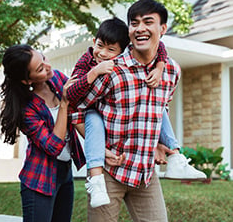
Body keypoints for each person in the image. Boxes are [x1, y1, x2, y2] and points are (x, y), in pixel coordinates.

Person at [73, 0, 185, 222]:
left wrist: (159, 142)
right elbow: (78, 107)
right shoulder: (112, 70)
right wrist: (97, 149)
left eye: (148, 22)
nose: (140, 28)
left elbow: (161, 108)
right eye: (134, 23)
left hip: (145, 172)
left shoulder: (171, 70)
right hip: (109, 172)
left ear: (163, 28)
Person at [67, 17, 205, 208]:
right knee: (95, 121)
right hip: (90, 112)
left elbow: (161, 47)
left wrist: (160, 65)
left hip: (128, 144)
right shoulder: (87, 60)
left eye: (111, 50)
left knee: (159, 106)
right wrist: (95, 71)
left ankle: (175, 156)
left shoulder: (122, 65)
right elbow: (71, 97)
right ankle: (96, 181)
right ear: (94, 42)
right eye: (100, 46)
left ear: (123, 51)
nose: (103, 53)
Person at [0, 44, 86, 222]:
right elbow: (54, 146)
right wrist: (64, 104)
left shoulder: (56, 78)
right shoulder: (27, 109)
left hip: (64, 175)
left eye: (43, 59)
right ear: (27, 81)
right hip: (39, 181)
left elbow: (82, 103)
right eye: (39, 69)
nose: (48, 67)